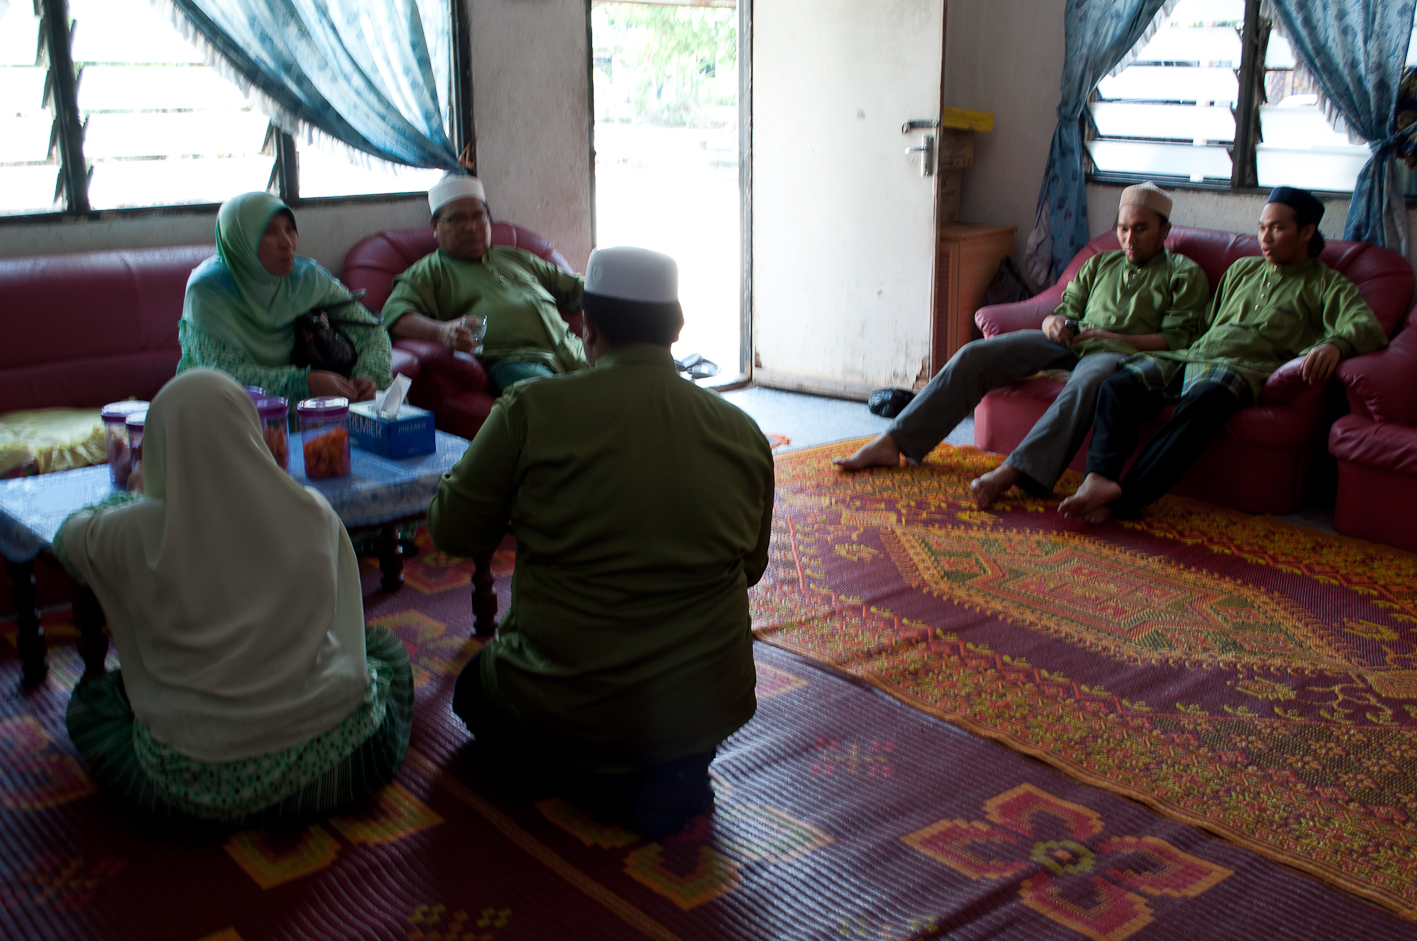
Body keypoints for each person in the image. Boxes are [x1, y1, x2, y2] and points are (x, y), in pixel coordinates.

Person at [429, 246, 773, 838]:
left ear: (587, 328)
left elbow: (453, 529)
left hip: (563, 697)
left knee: (473, 692)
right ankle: (667, 767)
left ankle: (600, 779)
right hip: (704, 705)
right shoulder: (745, 434)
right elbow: (751, 568)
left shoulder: (531, 409)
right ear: (676, 328)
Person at [58, 369, 412, 825]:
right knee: (385, 651)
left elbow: (68, 540)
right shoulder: (310, 510)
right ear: (251, 432)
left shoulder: (135, 531)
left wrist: (136, 494)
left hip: (201, 778)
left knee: (89, 705)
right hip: (344, 757)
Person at [835, 182, 1209, 508]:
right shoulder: (1101, 264)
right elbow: (1066, 307)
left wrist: (1111, 338)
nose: (1129, 238)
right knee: (975, 354)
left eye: (1141, 229)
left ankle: (1013, 471)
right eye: (1123, 229)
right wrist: (1052, 323)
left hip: (1122, 354)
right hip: (1073, 342)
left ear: (1164, 230)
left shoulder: (1184, 273)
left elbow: (1176, 339)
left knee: (1087, 382)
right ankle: (894, 442)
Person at [1059, 186, 1389, 524]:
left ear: (1306, 232)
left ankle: (1125, 500)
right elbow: (1205, 325)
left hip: (1239, 369)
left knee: (1203, 400)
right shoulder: (1242, 269)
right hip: (1191, 356)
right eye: (1261, 228)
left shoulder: (1328, 285)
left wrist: (1335, 344)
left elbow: (1367, 327)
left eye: (1277, 228)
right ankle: (1098, 477)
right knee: (1118, 385)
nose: (1265, 238)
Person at [382, 173, 588, 395]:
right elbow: (393, 314)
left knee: (614, 378)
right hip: (514, 362)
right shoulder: (430, 271)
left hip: (573, 351)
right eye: (457, 219)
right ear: (435, 225)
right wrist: (441, 332)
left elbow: (578, 288)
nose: (471, 227)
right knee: (555, 397)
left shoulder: (516, 257)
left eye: (479, 216)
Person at [178, 191, 391, 404]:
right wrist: (303, 383)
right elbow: (223, 376)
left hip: (307, 409)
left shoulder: (306, 279)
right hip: (225, 410)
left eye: (289, 229)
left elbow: (373, 333)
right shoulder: (209, 291)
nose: (287, 243)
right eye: (270, 231)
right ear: (240, 241)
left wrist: (364, 380)